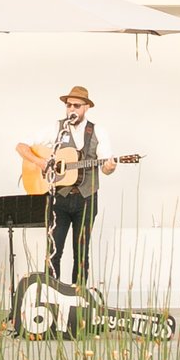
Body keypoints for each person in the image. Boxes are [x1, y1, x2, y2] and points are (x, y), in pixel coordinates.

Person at [18, 86, 117, 290]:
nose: (72, 109)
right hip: (59, 199)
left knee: (81, 251)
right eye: (69, 105)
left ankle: (78, 298)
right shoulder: (56, 128)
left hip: (86, 198)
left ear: (86, 107)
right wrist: (41, 163)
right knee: (54, 250)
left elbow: (106, 167)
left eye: (77, 106)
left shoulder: (98, 131)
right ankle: (50, 295)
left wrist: (110, 166)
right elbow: (21, 147)